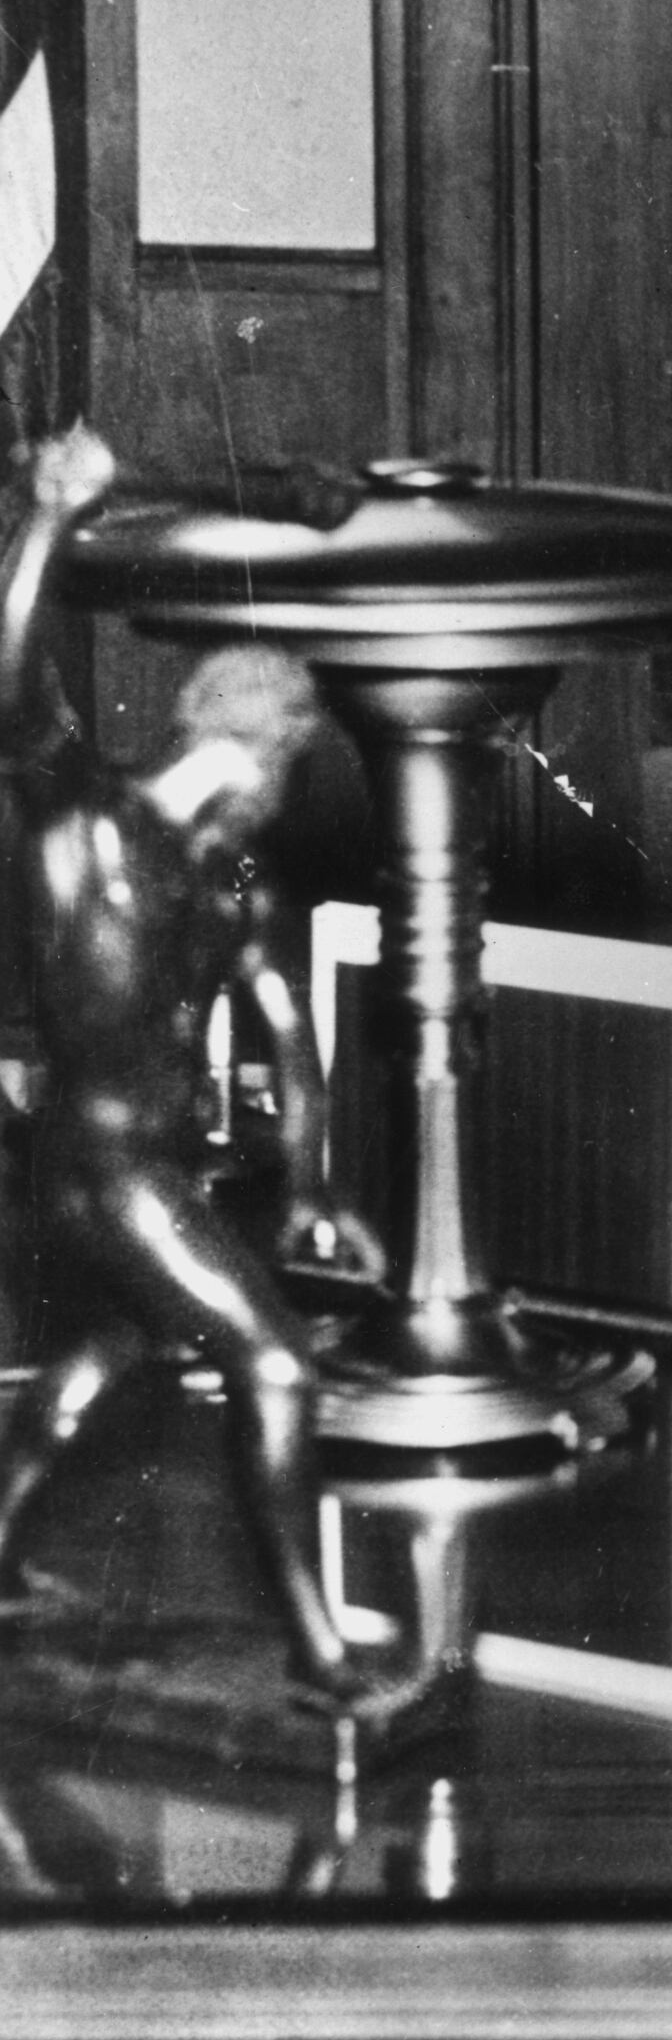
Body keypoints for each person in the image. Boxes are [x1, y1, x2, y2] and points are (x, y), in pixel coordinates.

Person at [0, 432, 395, 1704]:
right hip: (103, 1169)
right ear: (265, 754)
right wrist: (53, 519)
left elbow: (291, 1032)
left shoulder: (225, 881)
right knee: (274, 1362)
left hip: (132, 1172)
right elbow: (9, 681)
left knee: (111, 1347)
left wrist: (318, 1178)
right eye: (289, 768)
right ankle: (323, 1656)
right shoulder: (84, 820)